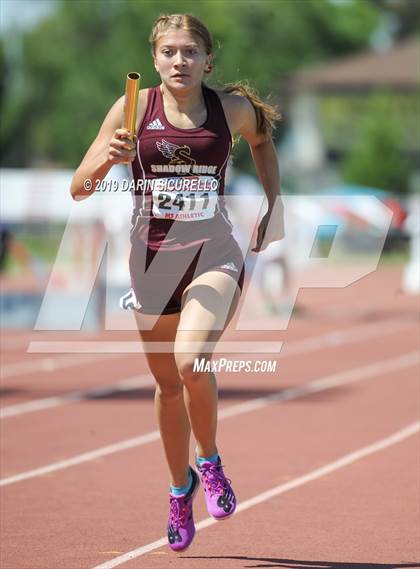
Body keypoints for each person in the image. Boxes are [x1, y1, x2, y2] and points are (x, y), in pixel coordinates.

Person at [70, 13, 284, 552]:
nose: (180, 61)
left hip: (213, 252)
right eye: (169, 52)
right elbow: (78, 187)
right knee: (168, 388)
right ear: (155, 60)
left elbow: (262, 141)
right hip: (152, 261)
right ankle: (178, 486)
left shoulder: (230, 110)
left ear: (208, 59)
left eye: (190, 52)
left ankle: (209, 462)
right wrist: (105, 161)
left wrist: (274, 205)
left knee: (191, 363)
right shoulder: (131, 109)